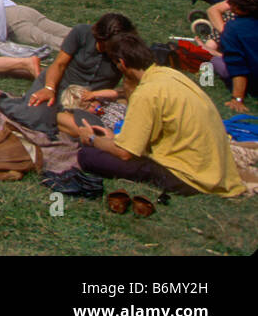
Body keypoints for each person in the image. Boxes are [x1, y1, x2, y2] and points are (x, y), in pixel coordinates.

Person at [67, 33, 244, 197]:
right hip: (215, 168)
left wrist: (91, 138)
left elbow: (125, 154)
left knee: (87, 156)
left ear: (122, 63)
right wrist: (112, 138)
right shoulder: (169, 74)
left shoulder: (146, 93)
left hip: (189, 176)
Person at [0, 12, 136, 135]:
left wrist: (101, 96)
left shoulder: (123, 52)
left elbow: (129, 87)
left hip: (87, 101)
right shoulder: (82, 33)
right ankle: (3, 101)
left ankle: (48, 113)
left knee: (94, 131)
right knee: (35, 117)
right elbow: (59, 64)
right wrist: (49, 88)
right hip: (58, 84)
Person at [218, 0, 258, 110]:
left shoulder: (233, 28)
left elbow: (237, 65)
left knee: (215, 61)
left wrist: (237, 98)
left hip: (253, 83)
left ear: (236, 6)